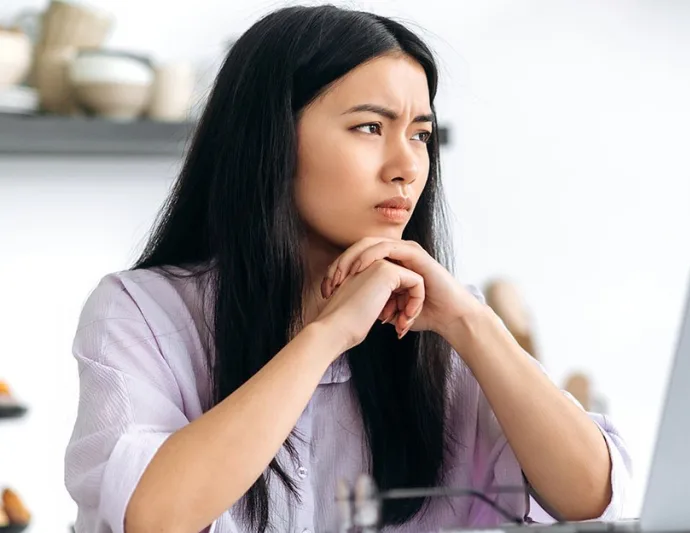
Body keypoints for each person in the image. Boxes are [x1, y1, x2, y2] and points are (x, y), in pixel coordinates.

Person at [63, 5, 631, 533]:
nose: (407, 166)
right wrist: (327, 334)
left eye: (420, 135)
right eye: (369, 127)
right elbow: (153, 516)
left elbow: (592, 498)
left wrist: (473, 326)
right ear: (272, 141)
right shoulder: (141, 313)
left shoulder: (448, 321)